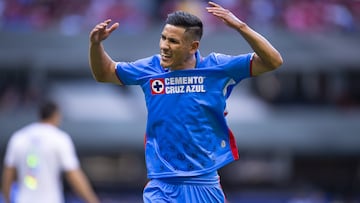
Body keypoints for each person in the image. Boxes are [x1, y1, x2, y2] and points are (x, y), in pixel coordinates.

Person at [89, 1, 283, 202]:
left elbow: (273, 61)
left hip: (204, 183)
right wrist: (96, 45)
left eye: (173, 41)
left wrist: (241, 27)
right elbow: (105, 73)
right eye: (163, 38)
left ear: (193, 46)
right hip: (162, 185)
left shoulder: (218, 67)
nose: (164, 46)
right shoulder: (150, 68)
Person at [1, 101, 100, 203]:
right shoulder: (59, 139)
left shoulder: (19, 138)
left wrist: (7, 200)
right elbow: (73, 174)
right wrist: (92, 200)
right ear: (56, 115)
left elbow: (8, 174)